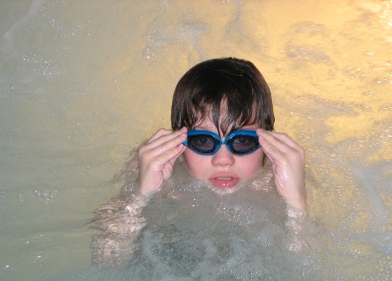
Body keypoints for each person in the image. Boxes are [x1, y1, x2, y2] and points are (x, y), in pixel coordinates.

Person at [91, 57, 307, 266]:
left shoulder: (283, 175)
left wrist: (296, 203)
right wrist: (141, 196)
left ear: (267, 142)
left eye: (242, 140)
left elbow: (309, 276)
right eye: (203, 141)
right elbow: (106, 259)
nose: (223, 160)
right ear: (180, 142)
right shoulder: (156, 168)